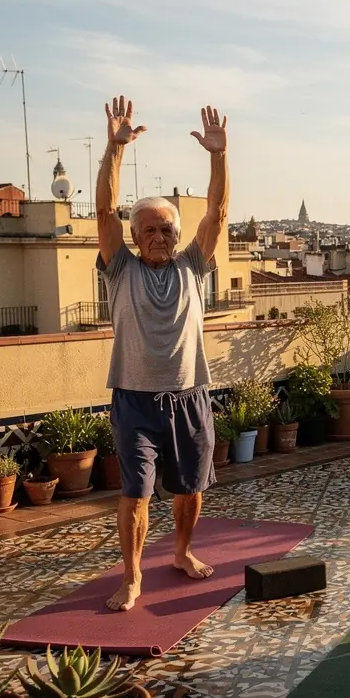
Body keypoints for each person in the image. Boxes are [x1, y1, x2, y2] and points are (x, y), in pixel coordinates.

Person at [96, 96, 230, 611]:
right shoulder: (121, 268)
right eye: (147, 229)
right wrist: (115, 149)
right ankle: (132, 577)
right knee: (135, 492)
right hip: (134, 399)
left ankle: (181, 552)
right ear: (132, 237)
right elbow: (105, 208)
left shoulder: (193, 266)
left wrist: (219, 156)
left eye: (166, 229)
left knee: (191, 488)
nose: (157, 236)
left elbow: (217, 213)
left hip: (190, 396)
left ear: (177, 235)